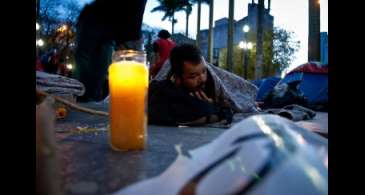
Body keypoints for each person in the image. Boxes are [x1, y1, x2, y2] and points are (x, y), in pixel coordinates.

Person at [73, 0, 147, 102]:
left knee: (102, 63)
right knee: (87, 60)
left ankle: (90, 96)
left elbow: (136, 9)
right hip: (94, 19)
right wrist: (132, 36)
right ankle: (80, 95)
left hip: (112, 29)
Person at [148, 44, 233, 126]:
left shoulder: (211, 79)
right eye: (193, 76)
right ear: (177, 79)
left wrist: (213, 106)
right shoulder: (163, 90)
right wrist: (210, 109)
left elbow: (228, 106)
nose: (202, 79)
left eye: (204, 71)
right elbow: (178, 112)